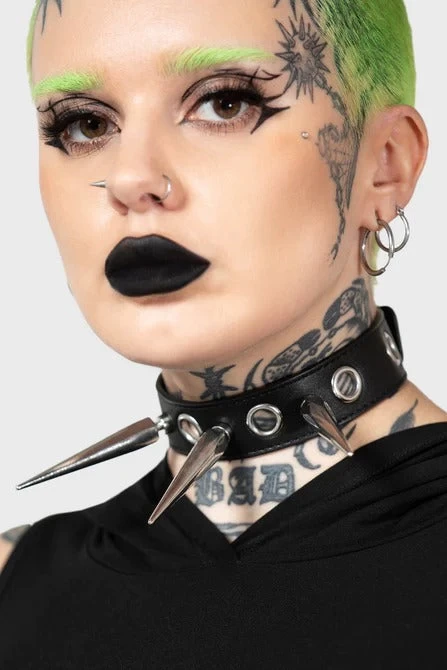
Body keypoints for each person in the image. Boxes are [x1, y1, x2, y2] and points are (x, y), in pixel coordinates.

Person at [1, 0, 446, 666]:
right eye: (85, 124)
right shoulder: (15, 583)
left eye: (224, 103)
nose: (131, 179)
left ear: (385, 163)